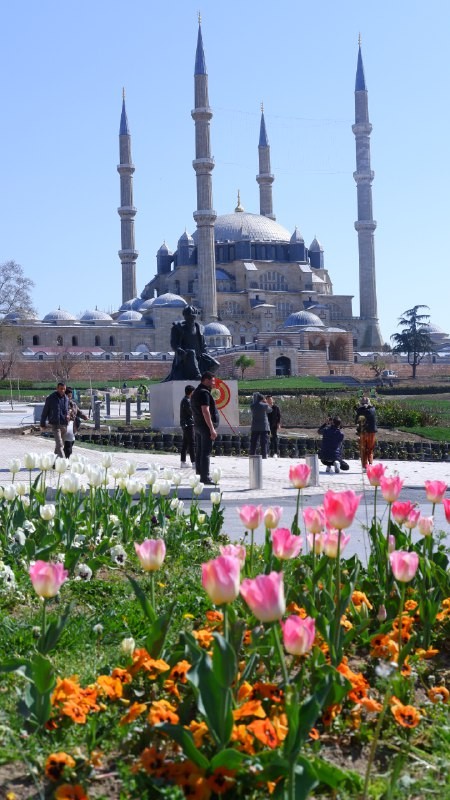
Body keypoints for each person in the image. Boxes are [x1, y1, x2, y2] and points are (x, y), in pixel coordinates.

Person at [165, 305, 220, 381]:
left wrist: (206, 354)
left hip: (200, 355)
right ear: (185, 316)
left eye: (192, 316)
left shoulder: (199, 328)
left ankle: (205, 377)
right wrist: (178, 349)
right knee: (191, 352)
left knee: (216, 364)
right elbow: (173, 343)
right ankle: (198, 376)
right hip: (185, 355)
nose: (190, 318)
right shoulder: (177, 328)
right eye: (188, 316)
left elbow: (203, 344)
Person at [191, 371, 219, 485]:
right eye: (212, 381)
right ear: (205, 380)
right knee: (205, 453)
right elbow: (205, 411)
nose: (213, 383)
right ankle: (205, 477)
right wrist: (212, 429)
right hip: (205, 427)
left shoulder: (196, 392)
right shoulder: (204, 393)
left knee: (199, 452)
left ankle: (199, 474)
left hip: (198, 426)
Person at [40, 381, 70, 458]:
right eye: (61, 389)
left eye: (64, 389)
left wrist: (68, 415)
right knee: (59, 444)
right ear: (57, 388)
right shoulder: (50, 398)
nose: (62, 390)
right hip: (55, 425)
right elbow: (45, 411)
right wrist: (42, 423)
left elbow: (67, 410)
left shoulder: (66, 398)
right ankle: (64, 461)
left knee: (60, 445)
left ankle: (53, 461)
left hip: (64, 425)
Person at [63, 387, 88, 459]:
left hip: (72, 426)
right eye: (68, 396)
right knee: (68, 443)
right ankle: (67, 459)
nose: (69, 398)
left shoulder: (73, 404)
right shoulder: (61, 404)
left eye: (70, 396)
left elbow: (79, 412)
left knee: (71, 442)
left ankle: (63, 457)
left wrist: (84, 416)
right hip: (64, 426)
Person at [355, 396, 378, 469]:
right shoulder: (373, 409)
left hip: (363, 432)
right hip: (372, 432)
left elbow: (356, 421)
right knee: (370, 449)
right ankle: (370, 463)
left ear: (361, 403)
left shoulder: (359, 410)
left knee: (363, 449)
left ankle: (365, 466)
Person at [249, 392, 272, 459]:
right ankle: (264, 455)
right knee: (263, 442)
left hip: (255, 426)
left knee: (253, 442)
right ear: (262, 399)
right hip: (263, 426)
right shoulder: (264, 405)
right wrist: (267, 403)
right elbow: (270, 410)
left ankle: (252, 454)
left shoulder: (252, 406)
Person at [179, 384, 196, 469]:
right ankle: (194, 462)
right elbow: (191, 412)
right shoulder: (187, 401)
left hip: (185, 424)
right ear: (191, 392)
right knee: (192, 443)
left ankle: (183, 462)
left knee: (185, 443)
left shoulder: (185, 400)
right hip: (188, 424)